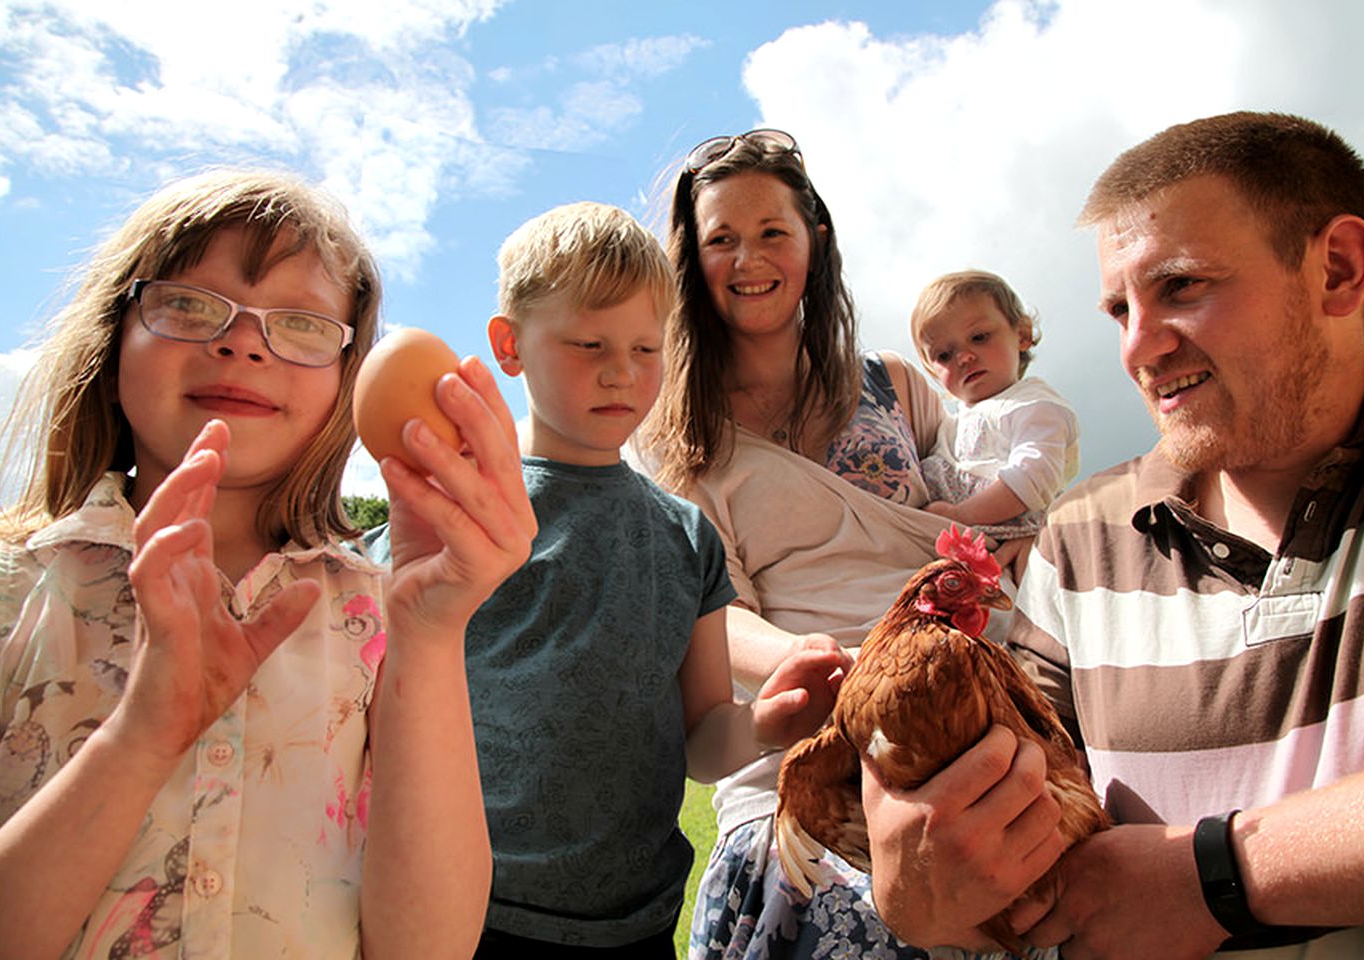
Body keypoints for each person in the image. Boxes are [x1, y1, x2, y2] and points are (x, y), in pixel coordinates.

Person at [860, 111, 1364, 959]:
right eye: (1120, 306)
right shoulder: (1076, 544)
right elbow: (1001, 833)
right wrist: (920, 875)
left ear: (1338, 270)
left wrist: (1216, 878)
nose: (1138, 345)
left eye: (1182, 287)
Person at [0, 169, 537, 960]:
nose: (243, 339)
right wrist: (142, 737)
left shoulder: (377, 615)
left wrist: (431, 629)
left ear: (349, 384)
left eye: (303, 323)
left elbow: (429, 948)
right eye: (187, 303)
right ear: (113, 343)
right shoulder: (13, 591)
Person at [369, 200, 844, 958]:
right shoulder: (459, 512)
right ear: (509, 345)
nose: (621, 372)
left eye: (646, 349)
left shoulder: (688, 539)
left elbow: (699, 739)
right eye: (587, 343)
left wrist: (766, 727)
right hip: (468, 917)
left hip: (637, 927)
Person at [638, 130, 1025, 960]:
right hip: (814, 728)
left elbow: (966, 508)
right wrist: (836, 667)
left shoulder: (896, 381)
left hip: (971, 692)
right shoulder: (677, 436)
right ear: (691, 262)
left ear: (814, 238)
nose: (750, 257)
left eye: (773, 230)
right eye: (721, 239)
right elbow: (718, 613)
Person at [911, 269, 1079, 547]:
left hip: (1013, 536)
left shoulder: (1033, 404)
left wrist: (961, 515)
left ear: (1022, 335)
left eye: (979, 337)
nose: (964, 357)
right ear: (932, 372)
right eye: (944, 355)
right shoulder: (948, 425)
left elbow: (1033, 477)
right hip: (954, 543)